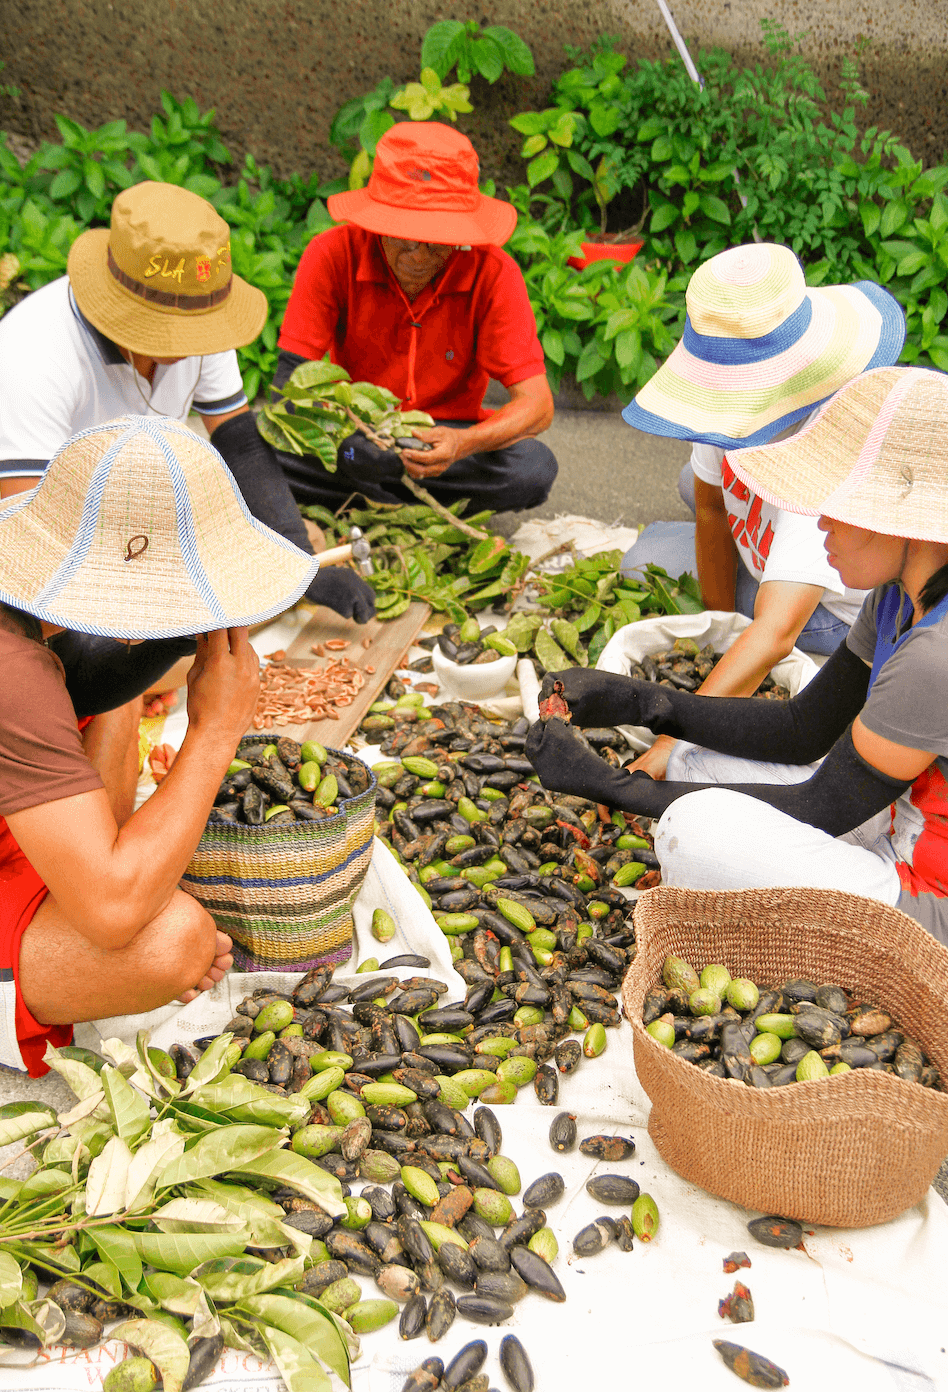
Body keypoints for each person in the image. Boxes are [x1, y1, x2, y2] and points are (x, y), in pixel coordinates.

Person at [526, 366, 948, 944]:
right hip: (893, 818)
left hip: (927, 904)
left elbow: (820, 808)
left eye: (839, 507)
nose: (819, 521)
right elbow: (804, 729)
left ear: (905, 524)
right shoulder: (898, 597)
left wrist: (613, 786)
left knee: (692, 832)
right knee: (690, 763)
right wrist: (640, 702)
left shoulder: (936, 657)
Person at [0, 413, 318, 1076]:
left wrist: (126, 673)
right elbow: (114, 910)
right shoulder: (15, 673)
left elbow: (108, 821)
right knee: (171, 940)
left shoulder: (39, 616)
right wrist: (215, 727)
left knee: (149, 899)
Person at [0, 179, 374, 625]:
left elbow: (240, 443)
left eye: (196, 329)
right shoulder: (32, 354)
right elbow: (29, 537)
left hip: (140, 509)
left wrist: (300, 562)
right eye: (166, 330)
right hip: (45, 530)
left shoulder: (201, 315)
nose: (189, 345)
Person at [618, 244, 905, 778]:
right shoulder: (724, 419)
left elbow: (775, 636)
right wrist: (719, 626)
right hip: (789, 542)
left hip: (840, 608)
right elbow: (708, 510)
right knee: (687, 493)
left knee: (646, 559)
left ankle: (783, 594)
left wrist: (676, 739)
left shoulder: (818, 459)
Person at [272, 123, 557, 516]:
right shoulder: (331, 254)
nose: (419, 255)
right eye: (403, 234)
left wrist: (464, 445)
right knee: (255, 451)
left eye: (436, 239)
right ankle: (397, 498)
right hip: (357, 431)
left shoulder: (494, 272)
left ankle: (372, 499)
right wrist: (348, 446)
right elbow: (287, 388)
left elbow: (538, 405)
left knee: (533, 468)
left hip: (448, 439)